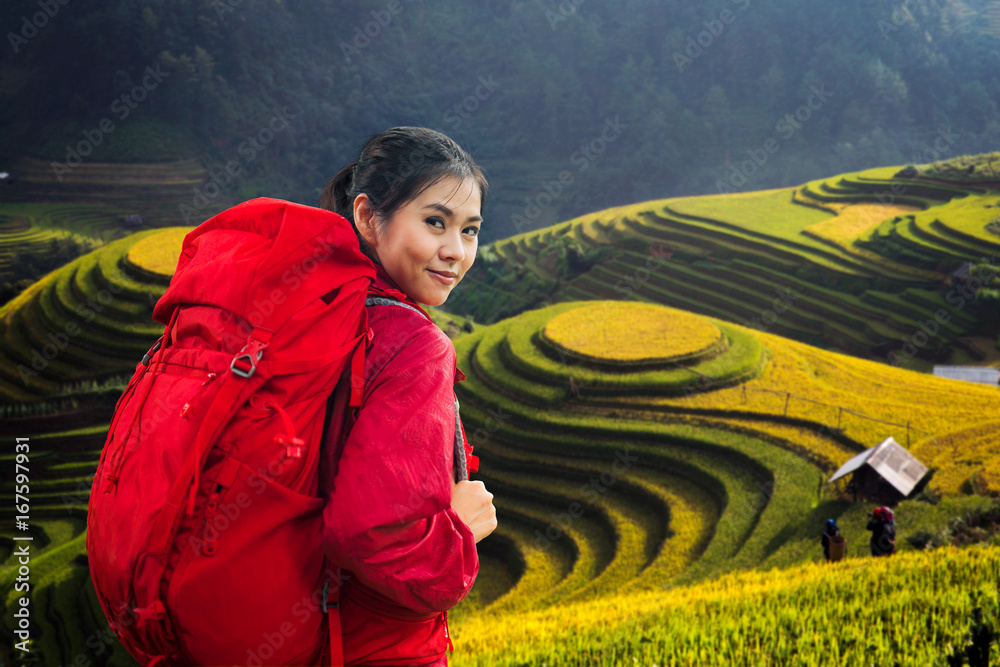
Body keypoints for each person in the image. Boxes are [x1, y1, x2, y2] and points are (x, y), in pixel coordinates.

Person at [316, 127, 498, 666]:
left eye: (470, 231)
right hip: (371, 646)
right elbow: (367, 536)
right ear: (369, 216)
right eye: (435, 222)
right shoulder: (414, 346)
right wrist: (458, 532)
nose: (455, 252)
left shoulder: (319, 310)